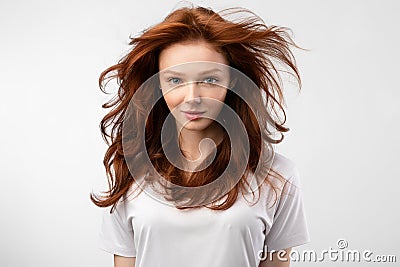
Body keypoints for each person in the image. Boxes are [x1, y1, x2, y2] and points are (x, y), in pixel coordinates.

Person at [91, 4, 310, 267]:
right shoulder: (130, 169)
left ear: (233, 81)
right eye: (175, 81)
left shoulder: (278, 176)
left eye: (209, 80)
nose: (192, 98)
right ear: (157, 83)